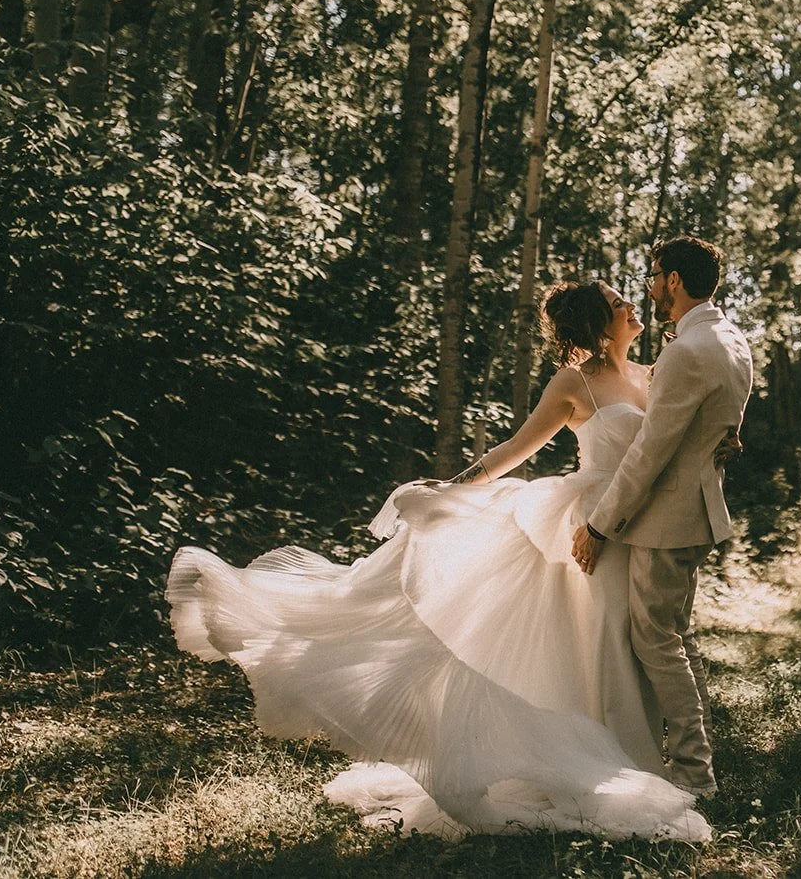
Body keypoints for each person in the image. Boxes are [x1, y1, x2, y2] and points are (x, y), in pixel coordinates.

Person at [165, 277, 733, 842]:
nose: (632, 305)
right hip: (591, 527)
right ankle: (626, 765)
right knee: (606, 637)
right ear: (595, 322)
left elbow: (676, 434)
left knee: (643, 640)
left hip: (645, 520)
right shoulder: (574, 382)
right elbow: (515, 449)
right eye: (616, 302)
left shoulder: (654, 374)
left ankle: (652, 761)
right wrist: (452, 489)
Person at [573, 236, 754, 798]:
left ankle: (695, 774)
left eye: (654, 276)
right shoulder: (730, 339)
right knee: (674, 635)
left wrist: (600, 524)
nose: (649, 287)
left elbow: (651, 450)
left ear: (673, 280)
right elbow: (716, 421)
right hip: (697, 511)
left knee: (656, 640)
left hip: (668, 515)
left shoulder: (687, 350)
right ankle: (696, 757)